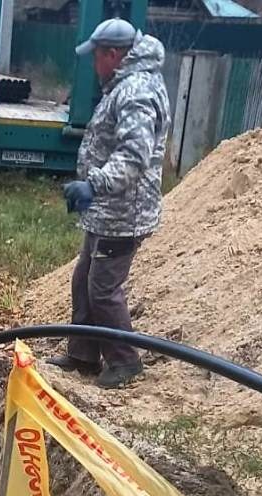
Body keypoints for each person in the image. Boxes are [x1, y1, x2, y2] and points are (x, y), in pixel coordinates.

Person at [50, 18, 171, 389]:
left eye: (96, 57)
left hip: (123, 212)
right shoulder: (125, 84)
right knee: (84, 278)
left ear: (113, 55)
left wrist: (93, 184)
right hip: (108, 210)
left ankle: (124, 361)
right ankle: (84, 353)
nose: (93, 65)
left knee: (103, 288)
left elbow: (133, 155)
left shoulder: (136, 91)